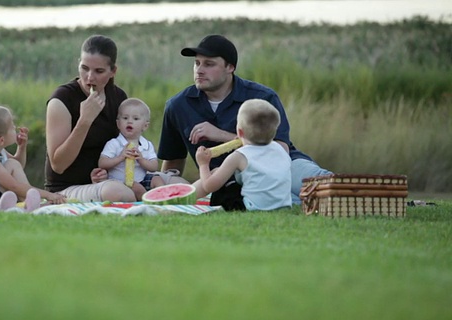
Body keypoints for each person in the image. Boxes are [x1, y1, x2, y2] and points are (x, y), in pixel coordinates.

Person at [157, 34, 331, 204]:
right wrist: (163, 193)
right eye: (197, 63)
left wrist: (221, 135)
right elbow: (173, 162)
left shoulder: (262, 97)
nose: (200, 70)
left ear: (230, 67)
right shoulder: (177, 106)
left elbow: (281, 150)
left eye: (209, 64)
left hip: (283, 166)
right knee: (298, 202)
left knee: (326, 185)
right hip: (230, 181)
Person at [44, 34, 138, 203]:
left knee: (162, 181)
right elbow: (58, 165)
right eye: (84, 68)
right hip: (66, 188)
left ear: (113, 71)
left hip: (106, 180)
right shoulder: (61, 100)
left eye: (99, 71)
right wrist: (84, 121)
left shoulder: (118, 97)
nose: (89, 77)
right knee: (117, 193)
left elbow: (123, 145)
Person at [194, 99, 291, 211]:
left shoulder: (239, 156)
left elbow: (209, 186)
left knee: (224, 184)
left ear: (240, 133)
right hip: (283, 205)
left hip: (252, 207)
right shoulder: (280, 149)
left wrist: (203, 164)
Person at [0, 105, 65, 209]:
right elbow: (13, 185)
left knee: (12, 163)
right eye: (12, 127)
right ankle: (20, 206)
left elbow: (18, 166)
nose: (15, 128)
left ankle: (27, 201)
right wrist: (48, 195)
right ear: (1, 140)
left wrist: (21, 147)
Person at [98, 98, 166, 201]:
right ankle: (148, 204)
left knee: (157, 179)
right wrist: (121, 157)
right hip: (120, 182)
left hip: (141, 179)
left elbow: (154, 166)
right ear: (118, 124)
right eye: (125, 118)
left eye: (135, 119)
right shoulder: (114, 143)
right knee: (136, 187)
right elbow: (102, 163)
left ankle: (164, 200)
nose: (129, 121)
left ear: (145, 126)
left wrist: (141, 159)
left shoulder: (146, 145)